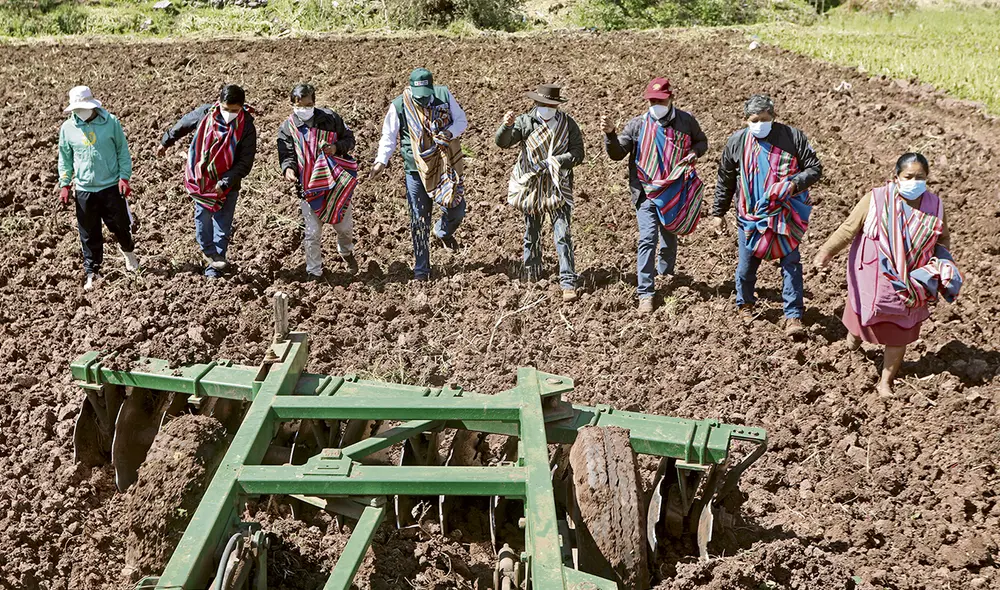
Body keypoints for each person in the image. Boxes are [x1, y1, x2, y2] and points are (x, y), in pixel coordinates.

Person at [814, 153, 961, 397]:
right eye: (909, 176)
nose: (915, 181)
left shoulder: (935, 206)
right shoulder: (876, 198)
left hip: (911, 282)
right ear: (896, 177)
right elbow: (849, 228)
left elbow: (942, 238)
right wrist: (825, 252)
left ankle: (885, 382)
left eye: (920, 177)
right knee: (863, 317)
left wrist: (944, 265)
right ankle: (851, 346)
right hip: (873, 274)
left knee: (899, 332)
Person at [712, 94, 822, 337]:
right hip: (750, 216)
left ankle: (793, 316)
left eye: (764, 118)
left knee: (791, 264)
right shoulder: (737, 143)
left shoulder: (792, 137)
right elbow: (726, 180)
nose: (759, 123)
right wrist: (718, 212)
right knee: (746, 265)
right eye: (754, 119)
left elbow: (814, 168)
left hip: (785, 214)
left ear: (773, 117)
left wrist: (793, 184)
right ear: (746, 120)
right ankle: (745, 305)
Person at [602, 77, 709, 314]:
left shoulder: (686, 121)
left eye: (660, 100)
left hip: (674, 191)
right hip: (646, 191)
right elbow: (618, 153)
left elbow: (702, 142)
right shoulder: (637, 125)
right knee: (647, 239)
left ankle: (665, 274)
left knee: (669, 236)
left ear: (671, 98)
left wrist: (694, 152)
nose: (655, 104)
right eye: (652, 100)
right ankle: (646, 293)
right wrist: (610, 135)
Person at [368, 68, 467, 281]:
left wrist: (449, 133)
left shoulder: (443, 95)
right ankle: (422, 269)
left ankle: (442, 231)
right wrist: (380, 162)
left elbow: (461, 120)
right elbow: (389, 136)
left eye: (426, 95)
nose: (423, 101)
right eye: (418, 96)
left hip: (443, 165)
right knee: (419, 218)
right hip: (415, 170)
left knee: (457, 208)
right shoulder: (399, 105)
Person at [496, 84, 585, 302]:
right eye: (542, 104)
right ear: (536, 103)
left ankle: (567, 281)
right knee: (531, 231)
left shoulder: (567, 124)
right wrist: (506, 127)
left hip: (558, 185)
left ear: (556, 105)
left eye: (550, 105)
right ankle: (532, 274)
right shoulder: (526, 122)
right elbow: (503, 143)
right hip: (532, 186)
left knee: (562, 234)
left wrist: (556, 162)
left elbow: (578, 153)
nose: (546, 108)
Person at [157, 84, 257, 278]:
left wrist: (225, 183)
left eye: (234, 111)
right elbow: (183, 125)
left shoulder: (246, 126)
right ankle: (209, 252)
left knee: (223, 224)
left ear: (242, 107)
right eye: (226, 109)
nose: (229, 114)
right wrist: (166, 141)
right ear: (219, 103)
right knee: (202, 218)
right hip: (203, 180)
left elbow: (245, 161)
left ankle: (215, 266)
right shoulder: (205, 114)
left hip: (229, 184)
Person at [57, 85, 140, 291]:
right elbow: (65, 159)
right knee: (88, 233)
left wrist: (124, 178)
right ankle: (92, 271)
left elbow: (122, 151)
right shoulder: (68, 129)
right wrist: (65, 183)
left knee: (120, 225)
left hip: (111, 186)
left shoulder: (111, 122)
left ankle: (129, 253)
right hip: (85, 189)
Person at [277, 83, 359, 278]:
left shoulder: (330, 119)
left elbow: (350, 139)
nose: (303, 110)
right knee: (312, 233)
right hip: (309, 186)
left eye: (308, 105)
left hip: (336, 183)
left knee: (344, 227)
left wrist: (336, 147)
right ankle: (314, 272)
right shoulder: (288, 127)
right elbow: (286, 153)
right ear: (292, 104)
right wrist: (288, 169)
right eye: (299, 106)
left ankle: (346, 252)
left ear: (314, 103)